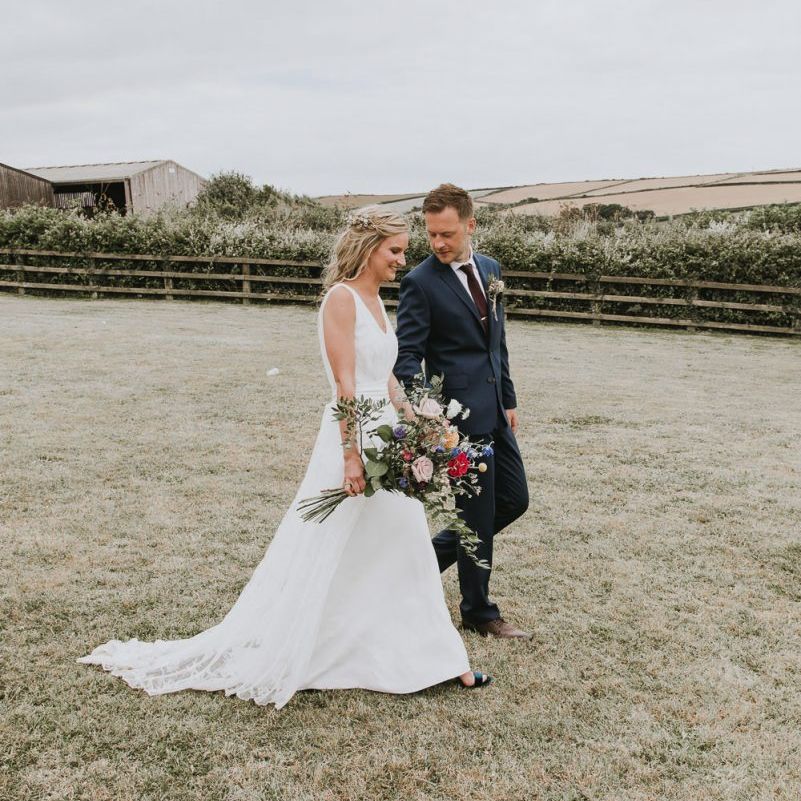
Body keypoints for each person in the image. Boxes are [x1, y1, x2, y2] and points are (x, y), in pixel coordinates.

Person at [76, 206, 490, 710]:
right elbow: (344, 385)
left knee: (406, 548)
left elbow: (387, 379)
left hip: (392, 439)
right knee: (327, 547)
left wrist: (422, 424)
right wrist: (351, 457)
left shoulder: (380, 302)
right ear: (368, 248)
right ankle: (312, 646)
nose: (403, 261)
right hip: (355, 438)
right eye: (395, 251)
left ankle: (443, 660)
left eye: (403, 251)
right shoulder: (340, 301)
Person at [394, 184, 531, 639]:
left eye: (447, 234)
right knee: (474, 515)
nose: (438, 243)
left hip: (494, 410)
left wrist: (507, 399)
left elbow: (499, 344)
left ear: (470, 225)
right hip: (453, 422)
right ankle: (479, 611)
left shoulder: (491, 270)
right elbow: (407, 358)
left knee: (514, 500)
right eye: (431, 234)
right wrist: (429, 413)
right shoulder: (420, 282)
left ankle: (413, 569)